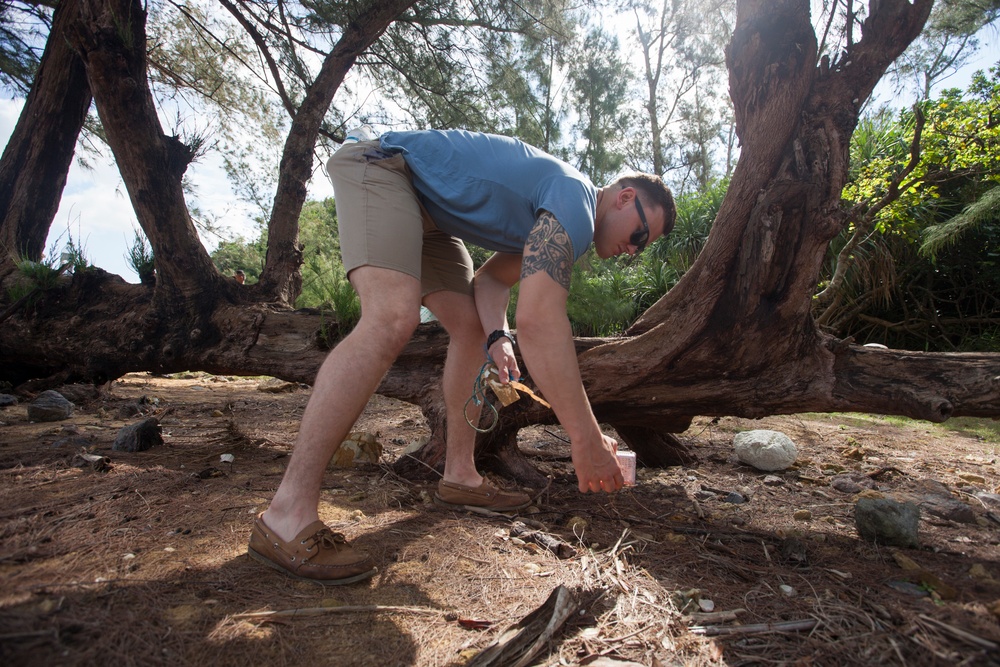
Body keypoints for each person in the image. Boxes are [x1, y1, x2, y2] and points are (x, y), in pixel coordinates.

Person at [248, 129, 676, 585]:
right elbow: (540, 321)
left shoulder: (556, 212)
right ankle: (286, 515)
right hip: (385, 168)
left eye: (642, 246)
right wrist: (585, 438)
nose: (634, 249)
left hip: (432, 217)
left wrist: (497, 334)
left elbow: (491, 283)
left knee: (471, 330)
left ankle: (459, 475)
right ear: (624, 197)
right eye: (640, 234)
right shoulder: (576, 198)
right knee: (392, 316)